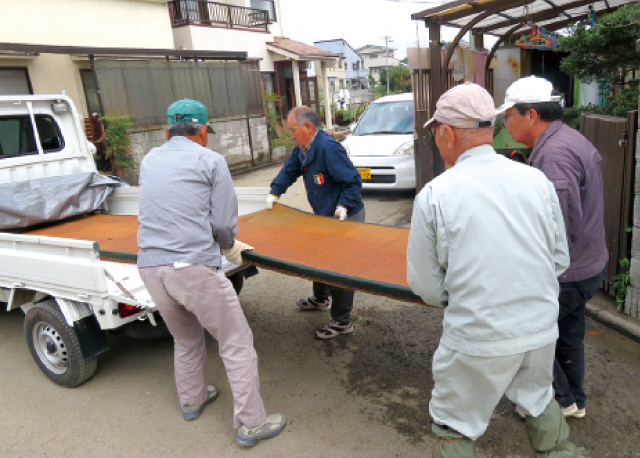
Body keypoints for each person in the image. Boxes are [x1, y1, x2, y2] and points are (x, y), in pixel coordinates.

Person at [407, 83, 578, 457]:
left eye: (436, 134)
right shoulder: (537, 180)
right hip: (538, 330)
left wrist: (463, 296)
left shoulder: (435, 195)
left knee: (453, 423)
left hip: (478, 335)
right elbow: (559, 260)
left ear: (447, 132)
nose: (437, 142)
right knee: (537, 398)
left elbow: (426, 285)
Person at [137, 98, 285, 446]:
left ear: (166, 130)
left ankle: (193, 400)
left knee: (186, 338)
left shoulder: (149, 160)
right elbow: (222, 225)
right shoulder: (211, 160)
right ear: (202, 131)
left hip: (150, 267)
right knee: (236, 343)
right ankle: (251, 424)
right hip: (192, 268)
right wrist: (228, 244)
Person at [497, 76, 608, 419]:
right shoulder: (567, 138)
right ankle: (575, 400)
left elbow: (561, 223)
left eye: (508, 115)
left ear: (530, 115)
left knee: (528, 331)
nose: (504, 122)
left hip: (567, 270)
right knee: (568, 333)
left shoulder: (554, 154)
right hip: (588, 263)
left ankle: (559, 400)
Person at [267, 106, 365, 339]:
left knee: (339, 268)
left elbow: (352, 181)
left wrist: (343, 206)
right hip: (324, 215)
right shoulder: (303, 148)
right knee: (319, 256)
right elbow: (289, 171)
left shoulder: (328, 148)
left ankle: (342, 321)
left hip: (345, 215)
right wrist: (274, 192)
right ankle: (321, 299)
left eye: (293, 130)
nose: (292, 135)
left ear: (307, 127)